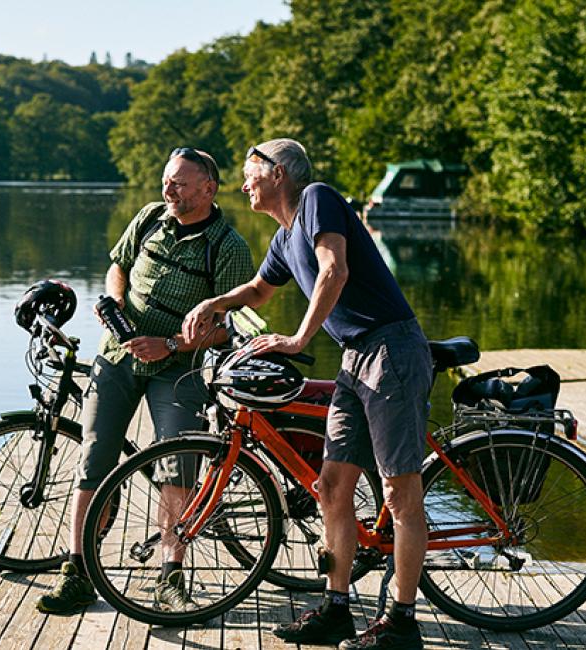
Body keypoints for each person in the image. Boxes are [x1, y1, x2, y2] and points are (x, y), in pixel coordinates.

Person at [182, 139, 432, 650]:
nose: (243, 183)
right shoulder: (282, 237)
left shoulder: (315, 198)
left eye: (251, 173)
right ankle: (336, 610)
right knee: (332, 489)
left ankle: (403, 622)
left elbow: (333, 269)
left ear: (279, 174)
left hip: (391, 350)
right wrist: (216, 301)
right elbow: (257, 290)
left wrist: (298, 339)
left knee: (399, 494)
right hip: (356, 358)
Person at [34, 147, 254, 615]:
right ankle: (76, 572)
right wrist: (114, 304)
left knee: (178, 465)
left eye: (178, 183)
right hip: (116, 357)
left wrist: (171, 344)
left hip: (178, 368)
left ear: (208, 189)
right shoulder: (151, 217)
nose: (167, 190)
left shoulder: (229, 246)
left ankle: (170, 575)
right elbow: (119, 265)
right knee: (94, 457)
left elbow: (226, 328)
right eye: (166, 181)